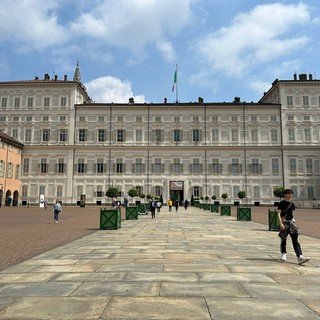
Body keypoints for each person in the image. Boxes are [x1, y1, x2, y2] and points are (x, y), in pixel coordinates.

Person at [277, 189, 310, 265]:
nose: (290, 195)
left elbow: (291, 214)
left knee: (295, 240)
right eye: (289, 193)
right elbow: (278, 214)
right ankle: (283, 253)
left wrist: (294, 222)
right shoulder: (281, 203)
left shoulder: (292, 204)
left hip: (291, 223)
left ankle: (300, 257)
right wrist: (281, 223)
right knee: (283, 239)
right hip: (284, 223)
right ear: (285, 194)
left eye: (291, 193)